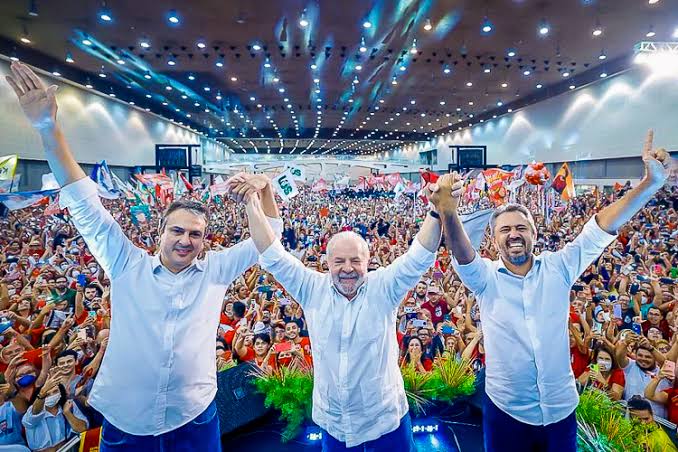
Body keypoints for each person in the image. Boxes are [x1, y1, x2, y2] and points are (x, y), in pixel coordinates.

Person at [5, 62, 282, 450]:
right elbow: (83, 201)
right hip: (128, 420)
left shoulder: (216, 270)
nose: (185, 240)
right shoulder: (125, 263)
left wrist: (265, 188)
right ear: (160, 232)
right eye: (177, 231)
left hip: (194, 415)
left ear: (205, 240)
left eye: (195, 234)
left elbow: (270, 235)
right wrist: (47, 128)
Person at [430, 130, 673, 451]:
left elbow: (599, 228)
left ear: (534, 234)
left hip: (560, 410)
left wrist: (649, 185)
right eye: (505, 229)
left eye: (521, 227)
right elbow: (463, 255)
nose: (513, 234)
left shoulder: (559, 267)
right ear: (494, 239)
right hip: (506, 412)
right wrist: (448, 212)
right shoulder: (486, 278)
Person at [228, 173, 443, 451]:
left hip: (385, 420)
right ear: (327, 262)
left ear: (368, 261)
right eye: (339, 261)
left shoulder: (384, 288)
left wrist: (436, 210)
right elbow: (272, 254)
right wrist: (251, 202)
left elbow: (419, 257)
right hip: (334, 424)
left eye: (355, 260)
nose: (347, 268)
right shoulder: (311, 288)